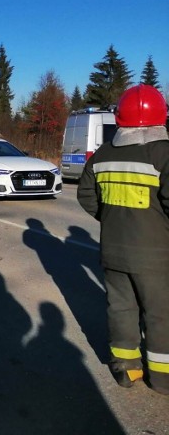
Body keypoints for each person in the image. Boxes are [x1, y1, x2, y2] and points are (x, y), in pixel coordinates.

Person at [77, 84, 169, 395]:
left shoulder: (103, 154)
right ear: (162, 116)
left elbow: (86, 195)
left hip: (114, 251)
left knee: (121, 309)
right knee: (160, 314)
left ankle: (127, 371)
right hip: (157, 256)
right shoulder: (165, 154)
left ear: (119, 118)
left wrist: (111, 220)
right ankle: (162, 378)